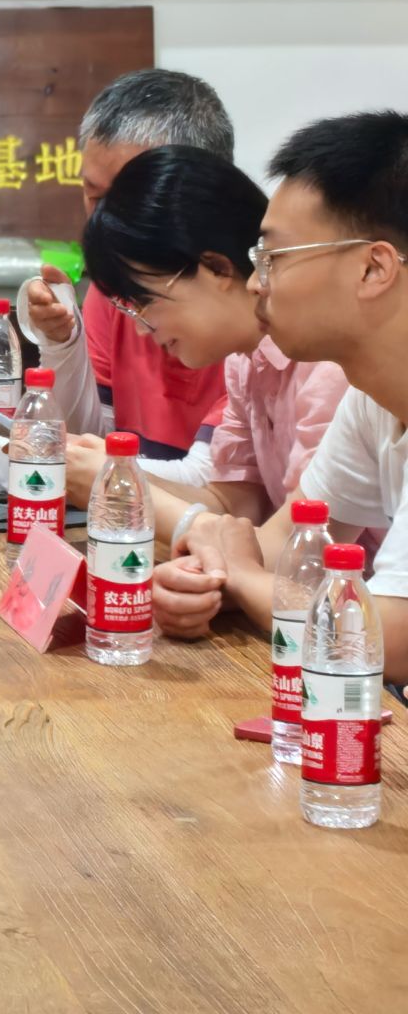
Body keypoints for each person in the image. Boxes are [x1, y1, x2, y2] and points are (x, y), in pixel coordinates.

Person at [151, 112, 408, 674]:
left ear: (373, 268)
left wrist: (242, 578)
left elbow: (389, 634)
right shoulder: (371, 399)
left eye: (274, 259)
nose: (254, 284)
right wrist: (203, 578)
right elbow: (289, 541)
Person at [0, 68, 233, 496]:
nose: (103, 223)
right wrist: (62, 344)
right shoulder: (110, 290)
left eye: (127, 201)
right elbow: (92, 438)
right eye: (93, 195)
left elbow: (218, 490)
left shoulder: (250, 315)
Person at [77, 145, 348, 539]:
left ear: (217, 267)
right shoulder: (244, 362)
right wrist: (120, 474)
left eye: (146, 301)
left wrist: (117, 482)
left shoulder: (325, 363)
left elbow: (300, 541)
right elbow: (235, 505)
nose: (142, 329)